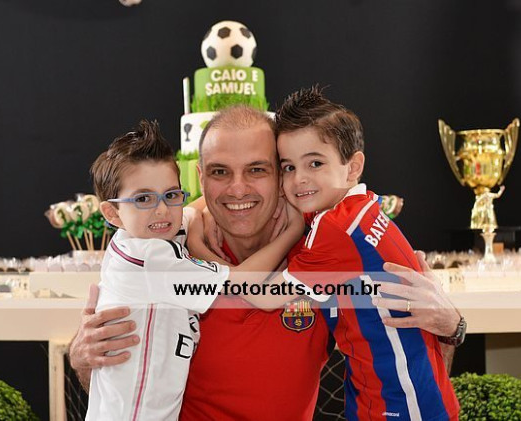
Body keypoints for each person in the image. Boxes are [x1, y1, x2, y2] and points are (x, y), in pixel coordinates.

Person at [69, 104, 463, 421]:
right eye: (220, 172)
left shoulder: (323, 255)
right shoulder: (165, 251)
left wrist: (450, 327)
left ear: (281, 176)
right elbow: (117, 386)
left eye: (257, 170)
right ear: (201, 178)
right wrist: (83, 357)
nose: (238, 188)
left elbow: (408, 361)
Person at [231, 87, 460, 420]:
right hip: (415, 393)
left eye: (315, 163)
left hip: (398, 404)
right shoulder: (362, 206)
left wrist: (200, 251)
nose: (299, 179)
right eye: (289, 167)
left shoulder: (336, 229)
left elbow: (258, 294)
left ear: (353, 167)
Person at [84, 120, 303, 420]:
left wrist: (212, 211)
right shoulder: (149, 256)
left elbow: (191, 211)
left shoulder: (147, 233)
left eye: (171, 195)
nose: (162, 210)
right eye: (143, 199)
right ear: (112, 213)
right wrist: (294, 229)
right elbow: (257, 291)